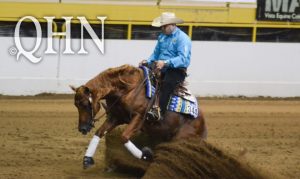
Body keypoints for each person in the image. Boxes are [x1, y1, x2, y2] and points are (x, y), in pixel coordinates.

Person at [140, 12, 192, 120]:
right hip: (160, 67)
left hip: (177, 70)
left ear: (173, 24)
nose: (162, 28)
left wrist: (165, 62)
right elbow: (156, 53)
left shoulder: (183, 38)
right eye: (161, 26)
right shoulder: (162, 37)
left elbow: (183, 58)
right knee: (141, 76)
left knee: (167, 84)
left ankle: (159, 112)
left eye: (164, 26)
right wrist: (147, 61)